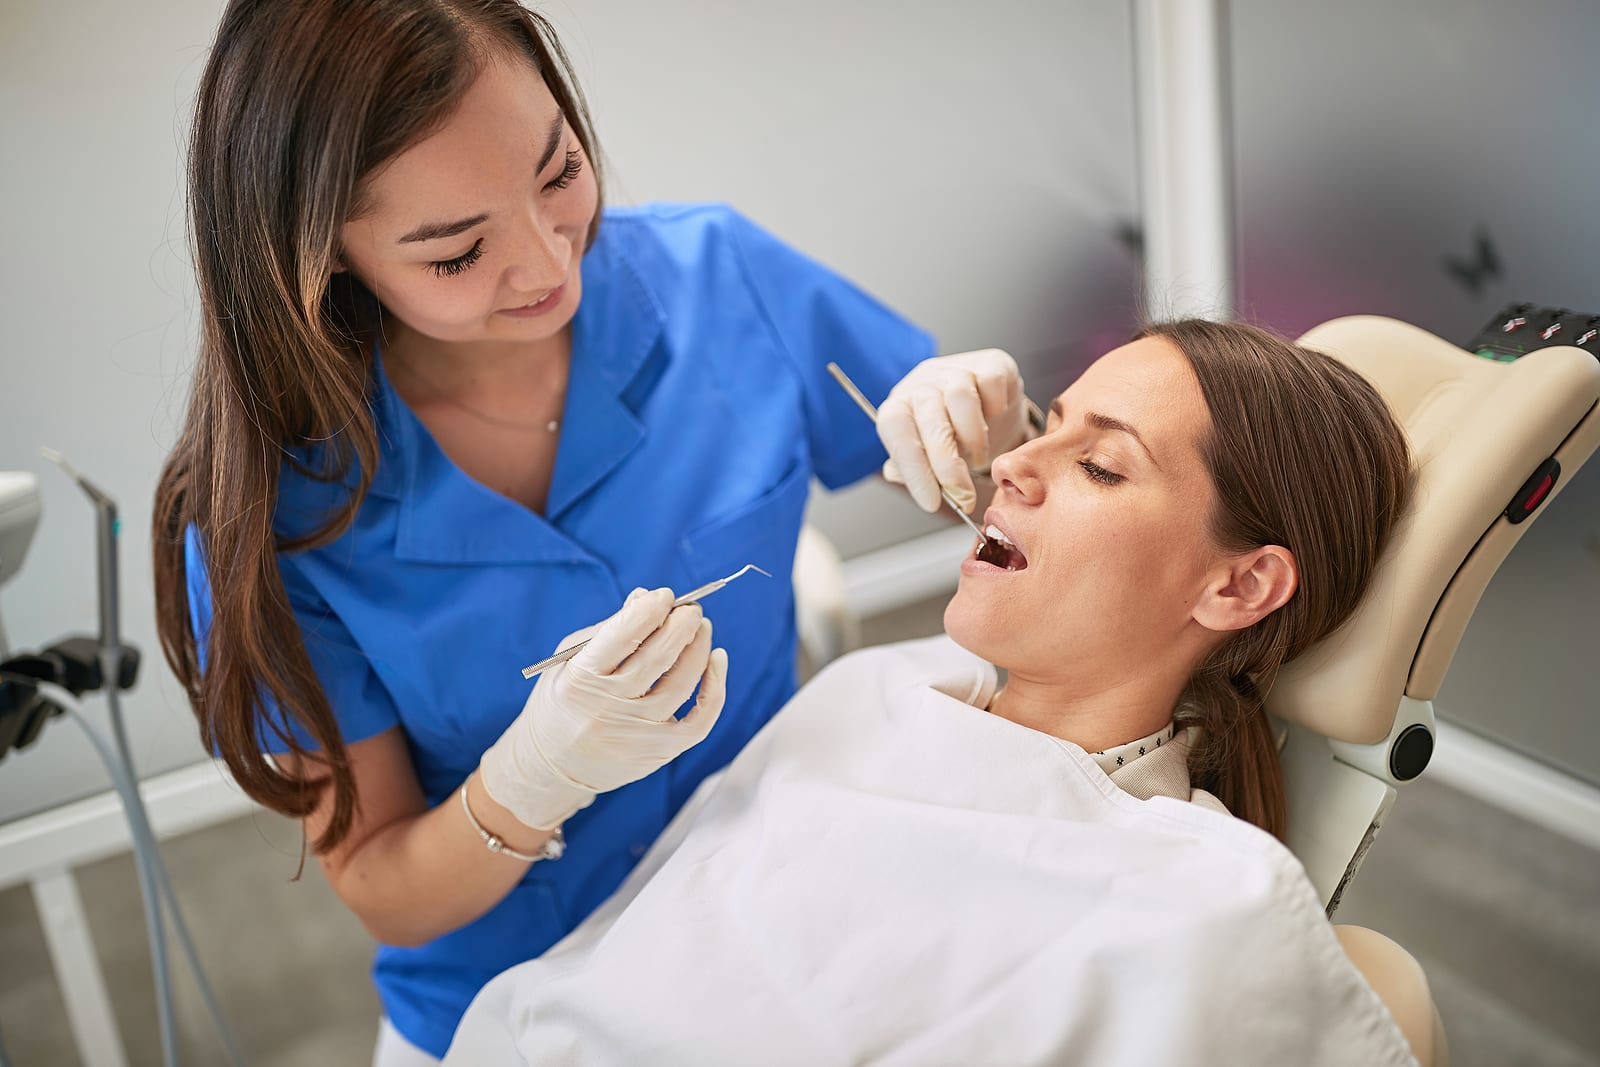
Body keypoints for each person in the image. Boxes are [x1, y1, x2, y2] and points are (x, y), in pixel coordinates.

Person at [149, 2, 1031, 1062]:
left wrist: (998, 430)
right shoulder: (274, 518)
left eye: (559, 171)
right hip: (518, 1004)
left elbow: (991, 489)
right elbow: (384, 885)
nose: (545, 265)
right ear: (325, 257)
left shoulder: (719, 280)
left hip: (795, 919)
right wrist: (530, 777)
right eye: (457, 251)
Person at [443, 320, 1421, 1066]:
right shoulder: (877, 686)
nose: (1010, 464)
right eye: (1046, 423)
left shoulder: (1202, 903)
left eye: (1096, 462)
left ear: (1238, 585)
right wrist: (534, 777)